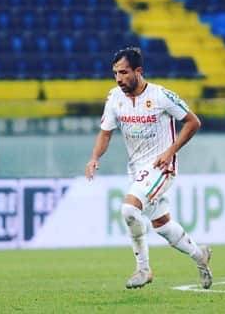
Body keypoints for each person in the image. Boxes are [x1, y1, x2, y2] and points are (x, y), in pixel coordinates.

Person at [85, 47, 212, 290]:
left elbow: (193, 122)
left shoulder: (162, 96)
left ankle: (143, 269)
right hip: (136, 169)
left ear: (138, 71)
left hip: (161, 167)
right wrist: (94, 157)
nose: (119, 78)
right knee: (162, 225)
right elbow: (105, 133)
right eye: (115, 73)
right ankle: (200, 255)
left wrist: (170, 151)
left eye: (123, 72)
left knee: (129, 209)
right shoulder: (114, 98)